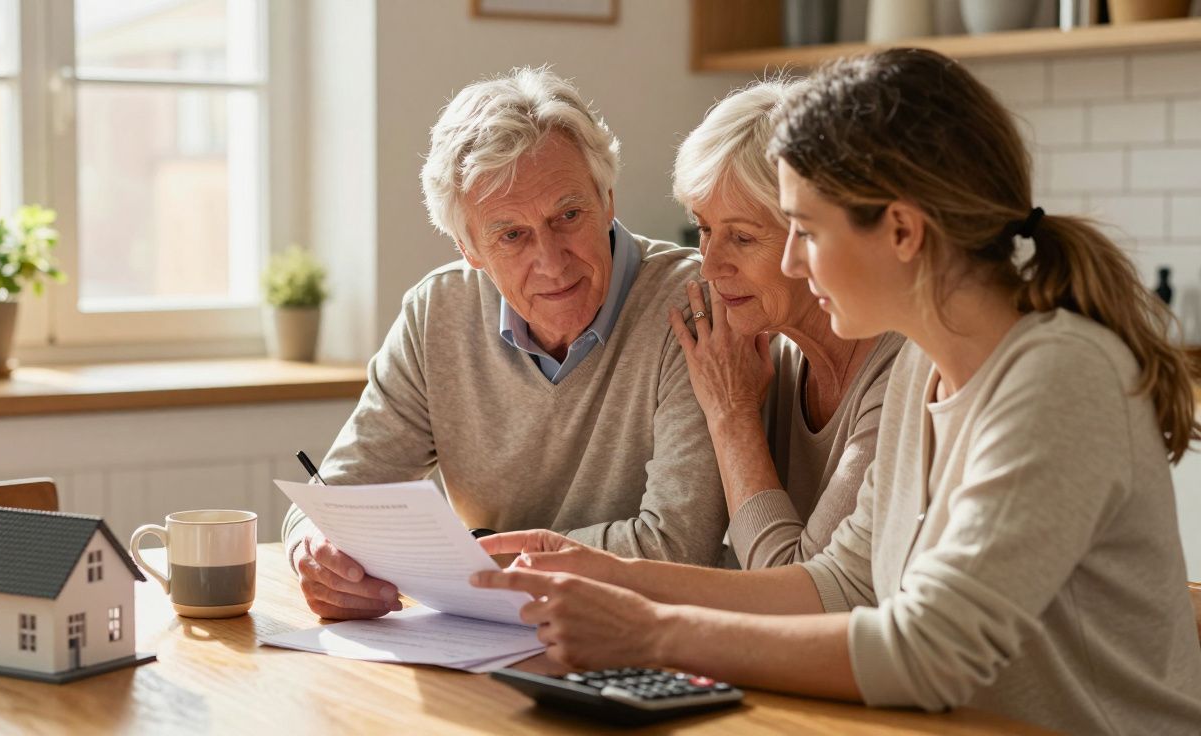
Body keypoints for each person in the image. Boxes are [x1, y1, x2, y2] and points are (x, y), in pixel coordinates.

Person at [471, 49, 1201, 734]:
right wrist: (619, 576)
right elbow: (841, 584)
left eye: (805, 231)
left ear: (903, 232)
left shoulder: (1058, 379)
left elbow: (930, 651)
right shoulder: (925, 365)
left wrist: (651, 630)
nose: (792, 259)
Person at [282, 66, 727, 621]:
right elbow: (337, 496)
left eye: (568, 215)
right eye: (511, 234)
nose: (551, 259)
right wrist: (316, 552)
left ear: (607, 199)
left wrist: (472, 560)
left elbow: (680, 550)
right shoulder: (436, 313)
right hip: (482, 641)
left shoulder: (691, 307)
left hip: (642, 642)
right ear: (468, 247)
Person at [668, 80, 904, 568]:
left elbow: (797, 591)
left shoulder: (903, 369)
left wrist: (732, 417)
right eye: (705, 230)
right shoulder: (763, 356)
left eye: (743, 238)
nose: (709, 267)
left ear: (814, 232)